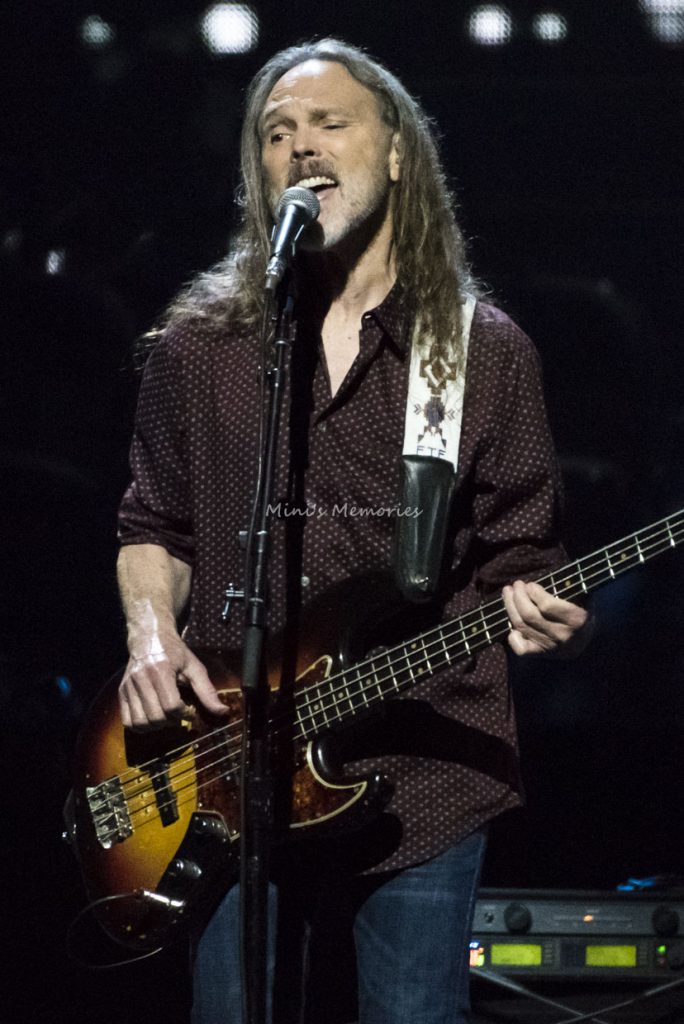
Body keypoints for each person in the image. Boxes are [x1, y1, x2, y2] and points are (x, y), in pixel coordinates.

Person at [116, 38, 590, 1024]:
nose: (302, 147)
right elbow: (154, 521)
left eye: (330, 124)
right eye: (277, 133)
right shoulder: (201, 348)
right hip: (231, 772)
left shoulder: (480, 353)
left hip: (421, 774)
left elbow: (522, 555)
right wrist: (151, 635)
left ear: (399, 152)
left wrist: (535, 609)